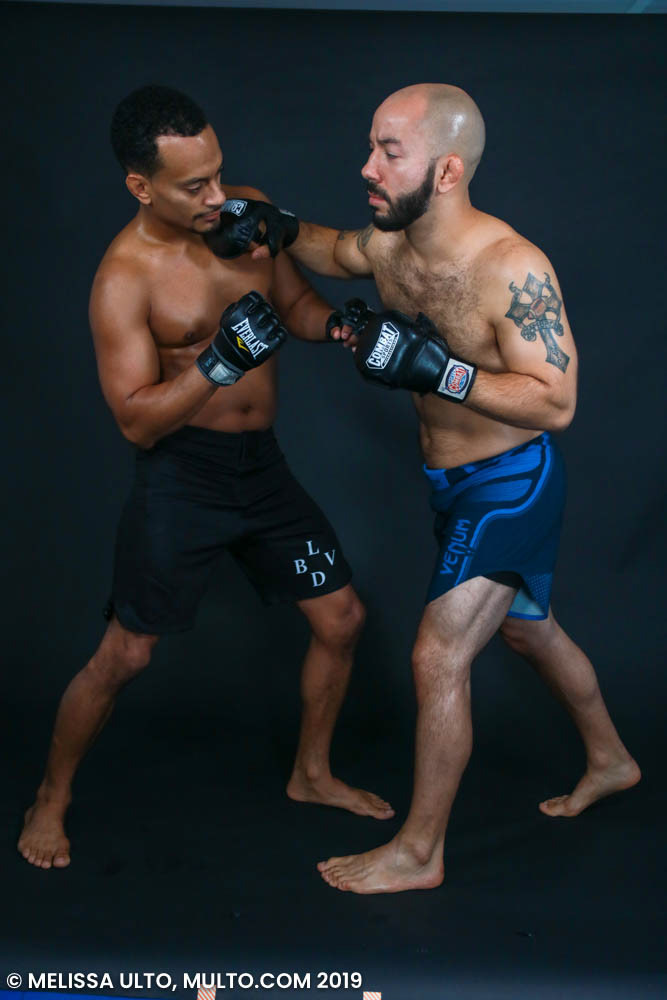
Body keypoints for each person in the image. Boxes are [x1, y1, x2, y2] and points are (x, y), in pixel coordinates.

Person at [232, 83, 640, 893]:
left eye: (389, 152)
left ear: (447, 171)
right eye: (370, 146)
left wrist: (440, 371)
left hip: (509, 485)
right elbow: (336, 250)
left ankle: (419, 852)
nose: (367, 167)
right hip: (448, 485)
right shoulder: (391, 243)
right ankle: (611, 759)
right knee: (528, 630)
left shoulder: (510, 267)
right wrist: (279, 228)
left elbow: (556, 402)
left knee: (436, 654)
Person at [17, 85, 394, 871]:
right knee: (126, 655)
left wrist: (342, 327)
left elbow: (292, 303)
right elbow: (137, 421)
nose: (217, 197)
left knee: (342, 619)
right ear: (140, 185)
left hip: (263, 468)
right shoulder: (123, 278)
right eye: (194, 186)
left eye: (219, 173)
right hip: (183, 476)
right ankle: (50, 797)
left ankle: (310, 774)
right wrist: (219, 360)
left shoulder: (242, 211)